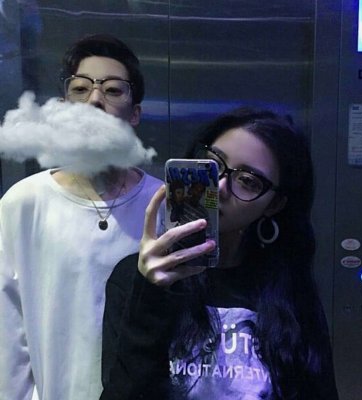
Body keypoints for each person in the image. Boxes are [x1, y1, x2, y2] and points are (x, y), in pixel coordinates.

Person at [100, 108, 339, 399]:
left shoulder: (289, 291)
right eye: (213, 164)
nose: (220, 187)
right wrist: (151, 295)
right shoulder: (136, 277)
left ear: (273, 205)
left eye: (248, 181)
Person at [0, 34, 162, 400]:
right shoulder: (24, 203)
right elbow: (7, 337)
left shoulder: (162, 203)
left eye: (113, 90)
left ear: (135, 113)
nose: (95, 100)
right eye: (80, 89)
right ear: (63, 107)